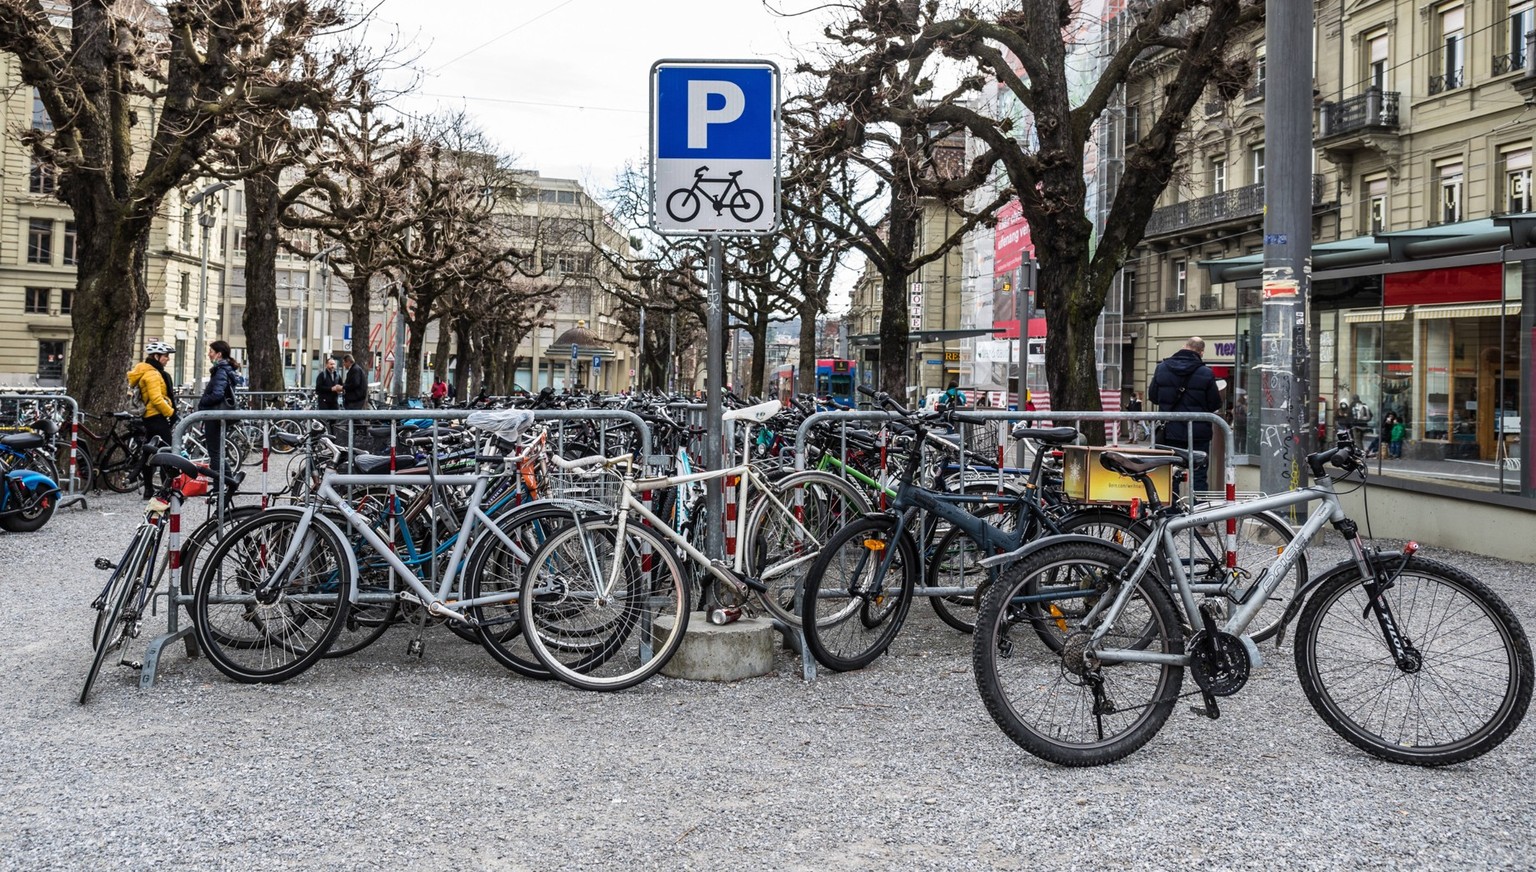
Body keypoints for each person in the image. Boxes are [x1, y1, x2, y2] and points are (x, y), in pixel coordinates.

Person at [1148, 336, 1223, 496]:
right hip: (1198, 433)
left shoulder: (1162, 368)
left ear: (1184, 346)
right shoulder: (1206, 373)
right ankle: (1199, 516)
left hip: (1169, 431)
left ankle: (1171, 515)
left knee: (1170, 473)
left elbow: (1153, 396)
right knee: (1199, 474)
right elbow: (1215, 404)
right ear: (1201, 352)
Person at [126, 342, 178, 498]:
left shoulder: (146, 371)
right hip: (157, 418)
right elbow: (156, 399)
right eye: (165, 356)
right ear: (156, 356)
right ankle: (167, 490)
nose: (168, 359)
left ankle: (149, 490)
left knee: (149, 454)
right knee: (166, 452)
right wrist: (172, 413)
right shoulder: (153, 374)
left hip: (149, 417)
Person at [197, 340, 240, 480]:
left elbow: (217, 394)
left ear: (219, 354)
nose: (209, 355)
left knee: (215, 454)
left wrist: (203, 400)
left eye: (211, 352)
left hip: (215, 415)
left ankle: (222, 487)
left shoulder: (221, 370)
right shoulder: (224, 369)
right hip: (217, 415)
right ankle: (225, 484)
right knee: (217, 454)